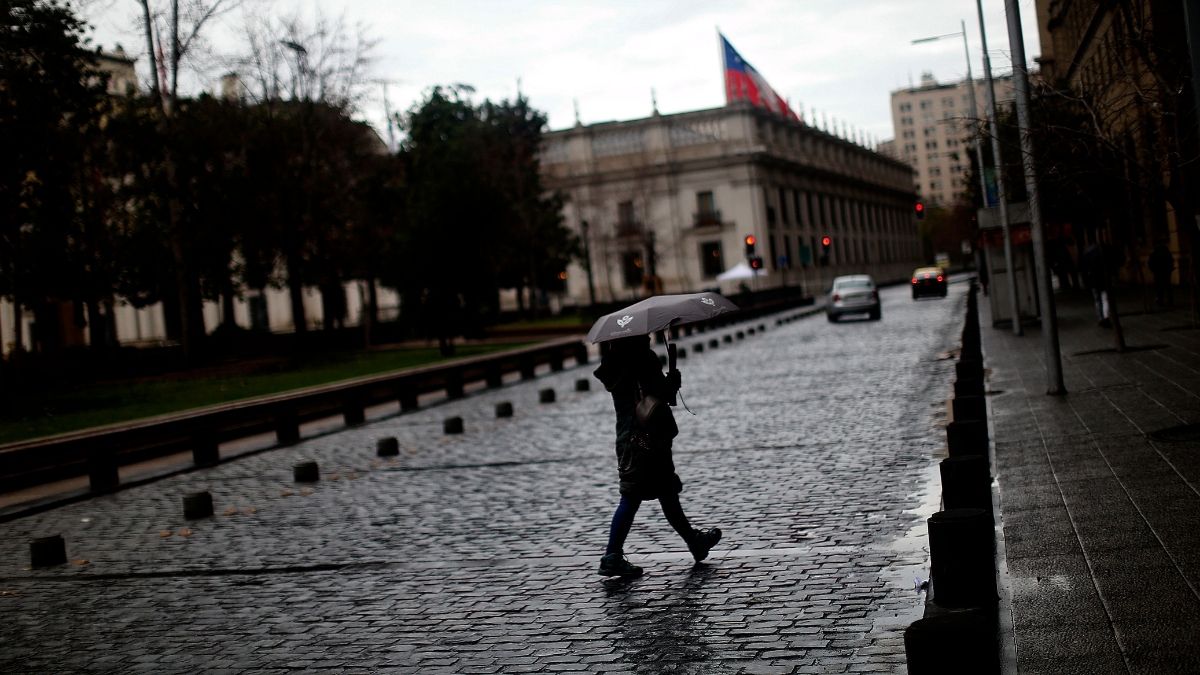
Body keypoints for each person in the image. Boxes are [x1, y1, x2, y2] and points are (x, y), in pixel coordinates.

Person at [592, 334, 721, 577]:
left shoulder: (614, 362)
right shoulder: (642, 359)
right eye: (645, 334)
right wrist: (673, 381)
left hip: (629, 439)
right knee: (634, 496)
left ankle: (694, 541)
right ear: (635, 339)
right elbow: (659, 395)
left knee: (664, 491)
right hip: (649, 438)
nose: (650, 337)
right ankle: (612, 555)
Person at [1082, 238, 1112, 327]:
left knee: (1098, 299)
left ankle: (1100, 317)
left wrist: (1086, 282)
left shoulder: (1086, 254)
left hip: (1093, 281)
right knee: (1105, 298)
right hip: (1103, 279)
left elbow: (1084, 269)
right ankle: (1106, 316)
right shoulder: (1103, 252)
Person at [1148, 242, 1174, 307]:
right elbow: (1171, 261)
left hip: (1158, 273)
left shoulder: (1154, 253)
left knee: (1159, 287)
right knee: (1167, 287)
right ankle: (1169, 301)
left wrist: (1153, 270)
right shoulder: (1166, 253)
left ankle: (1160, 301)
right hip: (1165, 272)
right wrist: (1170, 268)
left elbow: (1150, 263)